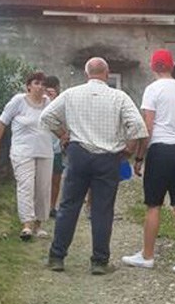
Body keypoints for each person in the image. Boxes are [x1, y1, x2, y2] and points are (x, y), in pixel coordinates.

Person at [40, 58, 146, 274]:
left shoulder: (71, 94)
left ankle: (57, 257)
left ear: (86, 74)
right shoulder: (119, 97)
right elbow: (138, 126)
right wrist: (129, 149)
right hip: (108, 158)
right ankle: (99, 261)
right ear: (107, 74)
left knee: (69, 206)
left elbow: (47, 116)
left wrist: (63, 135)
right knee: (102, 209)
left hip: (78, 154)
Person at [122, 48, 175, 274]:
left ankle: (147, 255)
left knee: (154, 205)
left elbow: (147, 126)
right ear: (172, 66)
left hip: (161, 150)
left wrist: (139, 157)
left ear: (153, 67)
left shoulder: (153, 89)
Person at [0, 70, 54, 240]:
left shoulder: (48, 103)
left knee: (42, 189)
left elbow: (55, 123)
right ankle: (27, 225)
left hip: (44, 151)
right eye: (36, 83)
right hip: (22, 152)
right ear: (28, 86)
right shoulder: (18, 101)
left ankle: (39, 224)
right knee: (26, 186)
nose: (40, 87)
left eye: (43, 84)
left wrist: (64, 136)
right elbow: (2, 123)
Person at [44, 75, 65, 216]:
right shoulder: (41, 102)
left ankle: (52, 207)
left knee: (56, 179)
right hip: (42, 147)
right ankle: (45, 206)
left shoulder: (60, 103)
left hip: (56, 147)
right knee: (45, 180)